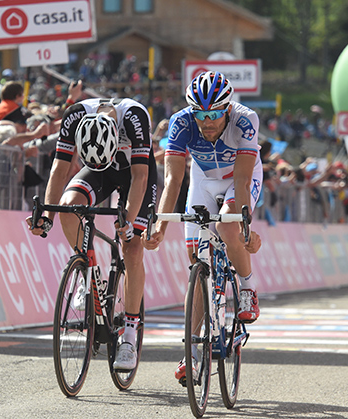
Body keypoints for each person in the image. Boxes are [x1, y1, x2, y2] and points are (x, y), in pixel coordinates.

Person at [142, 71, 262, 382]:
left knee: (226, 227)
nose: (207, 122)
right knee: (196, 262)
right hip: (203, 183)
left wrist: (245, 226)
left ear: (228, 109)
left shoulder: (245, 121)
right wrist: (159, 225)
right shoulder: (181, 123)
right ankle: (192, 354)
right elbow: (173, 180)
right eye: (200, 115)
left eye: (214, 115)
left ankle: (247, 288)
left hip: (238, 181)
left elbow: (243, 179)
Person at [26, 96, 157, 371]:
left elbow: (141, 178)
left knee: (132, 247)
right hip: (99, 168)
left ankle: (129, 337)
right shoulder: (74, 116)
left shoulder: (134, 117)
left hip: (135, 171)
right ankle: (86, 268)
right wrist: (47, 217)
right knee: (68, 206)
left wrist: (127, 223)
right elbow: (59, 169)